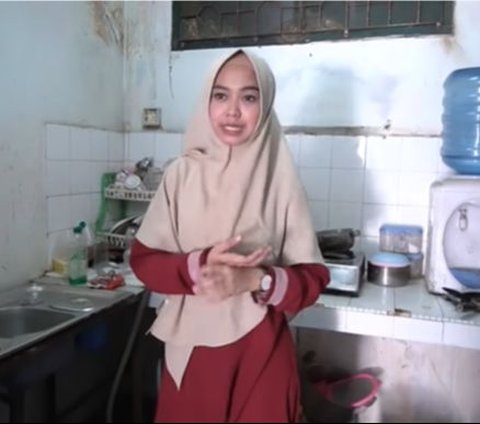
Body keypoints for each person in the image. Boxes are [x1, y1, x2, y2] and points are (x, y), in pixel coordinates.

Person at [130, 48, 330, 423]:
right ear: (207, 101)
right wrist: (199, 266)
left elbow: (314, 280)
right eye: (220, 95)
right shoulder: (181, 177)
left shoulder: (281, 181)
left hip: (262, 357)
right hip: (192, 357)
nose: (233, 111)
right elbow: (143, 261)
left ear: (265, 104)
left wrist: (255, 278)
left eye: (249, 97)